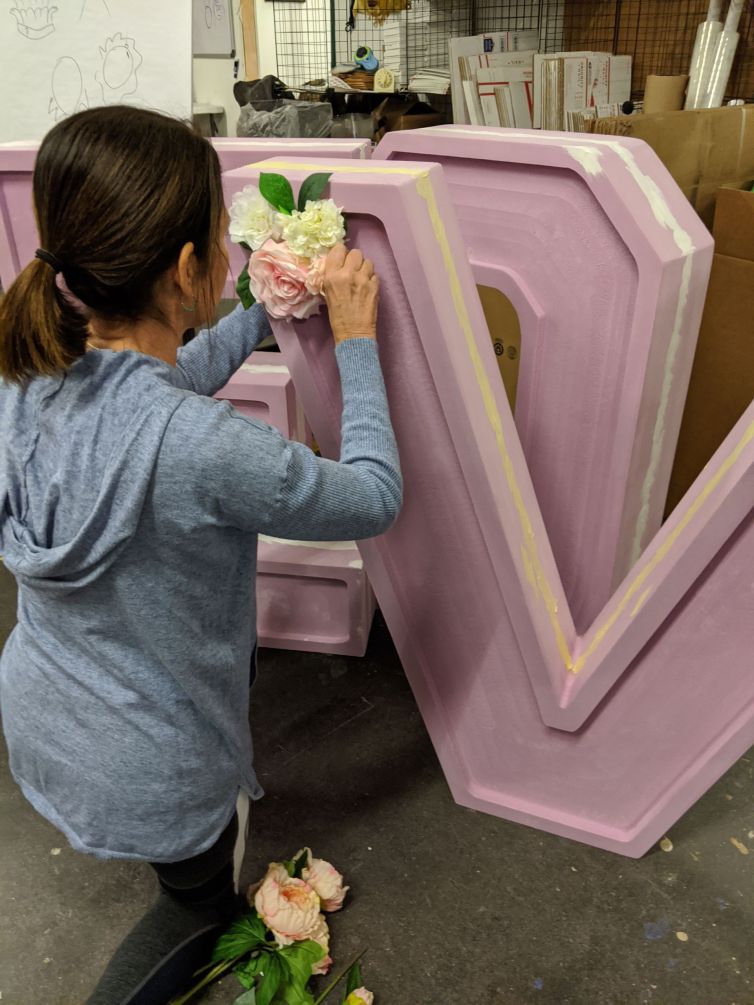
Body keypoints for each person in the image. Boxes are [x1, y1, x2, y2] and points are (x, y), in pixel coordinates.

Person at [0, 105, 401, 1004]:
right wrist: (359, 336)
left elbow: (156, 388)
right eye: (223, 244)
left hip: (43, 717)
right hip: (153, 768)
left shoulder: (26, 375)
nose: (227, 257)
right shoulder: (204, 447)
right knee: (198, 908)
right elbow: (375, 493)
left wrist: (264, 306)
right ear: (187, 270)